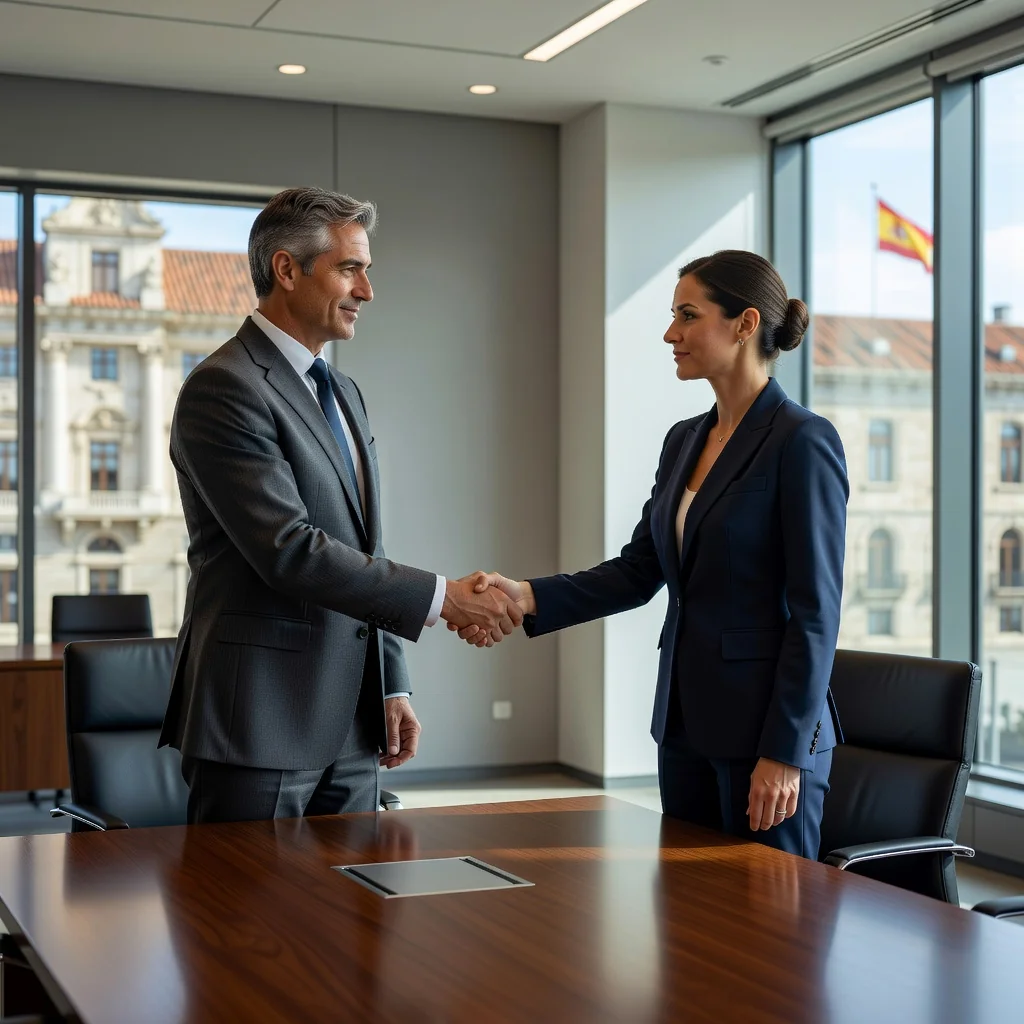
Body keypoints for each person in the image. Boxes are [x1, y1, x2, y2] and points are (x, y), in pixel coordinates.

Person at [457, 251, 848, 859]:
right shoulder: (685, 440)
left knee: (771, 936)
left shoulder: (803, 441)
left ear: (745, 324)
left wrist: (783, 753)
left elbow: (816, 613)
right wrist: (526, 595)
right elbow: (640, 570)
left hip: (766, 740)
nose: (671, 333)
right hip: (685, 726)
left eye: (688, 316)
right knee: (691, 929)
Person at [159, 187, 521, 824]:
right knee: (249, 922)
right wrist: (447, 598)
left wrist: (392, 680)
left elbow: (363, 549)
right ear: (287, 269)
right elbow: (289, 551)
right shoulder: (224, 387)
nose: (367, 290)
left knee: (348, 919)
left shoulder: (342, 391)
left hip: (354, 726)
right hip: (260, 724)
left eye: (367, 271)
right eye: (349, 269)